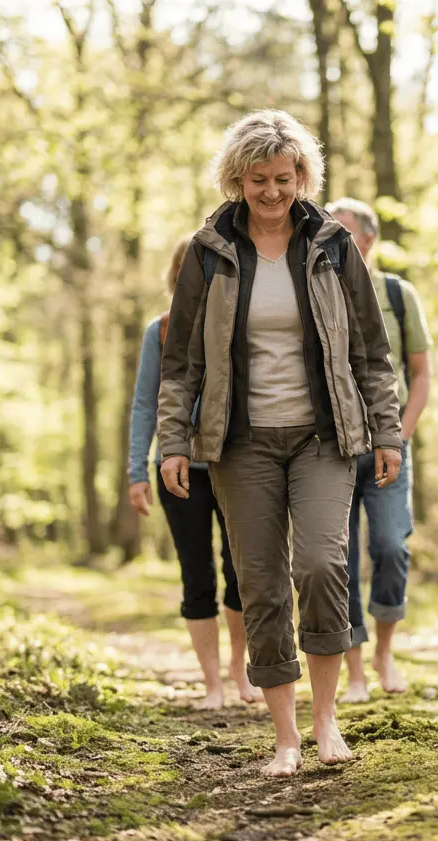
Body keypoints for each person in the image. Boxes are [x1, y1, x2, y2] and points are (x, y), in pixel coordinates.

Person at [158, 109, 403, 778]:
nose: (272, 193)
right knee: (261, 584)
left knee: (322, 567)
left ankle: (326, 722)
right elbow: (178, 360)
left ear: (304, 175)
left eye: (285, 178)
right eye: (259, 180)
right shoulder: (208, 252)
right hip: (241, 443)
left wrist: (387, 431)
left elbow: (372, 351)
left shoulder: (332, 244)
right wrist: (172, 442)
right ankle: (286, 737)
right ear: (237, 179)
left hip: (326, 436)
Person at [127, 236, 259, 710]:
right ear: (175, 274)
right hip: (178, 465)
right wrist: (136, 471)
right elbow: (146, 403)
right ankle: (212, 685)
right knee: (196, 573)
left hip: (235, 461)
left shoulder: (238, 322)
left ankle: (239, 672)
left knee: (241, 573)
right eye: (186, 268)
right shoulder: (160, 331)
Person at [325, 197, 433, 703]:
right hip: (329, 450)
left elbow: (421, 373)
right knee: (338, 559)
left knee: (391, 546)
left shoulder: (396, 293)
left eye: (342, 230)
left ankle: (384, 650)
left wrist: (401, 435)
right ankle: (355, 671)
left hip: (389, 446)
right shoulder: (317, 290)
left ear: (367, 239)